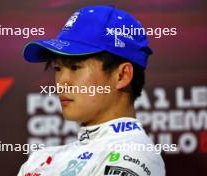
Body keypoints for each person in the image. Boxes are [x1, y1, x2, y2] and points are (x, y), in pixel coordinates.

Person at [18, 5, 165, 176]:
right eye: (57, 69)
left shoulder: (135, 155)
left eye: (75, 67)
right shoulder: (39, 160)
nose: (61, 83)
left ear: (122, 75)